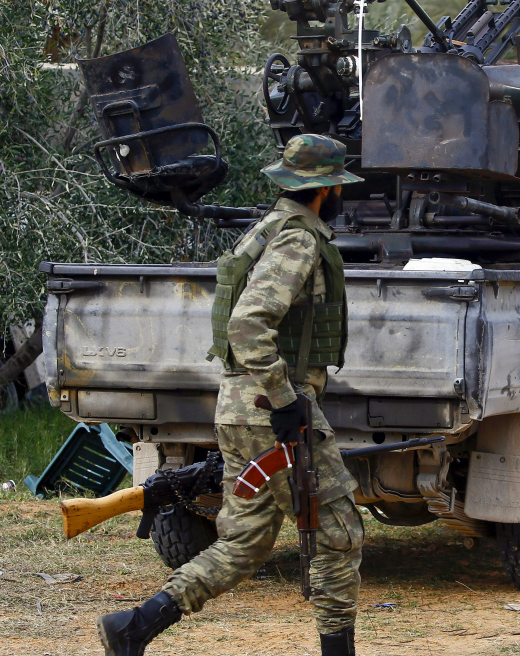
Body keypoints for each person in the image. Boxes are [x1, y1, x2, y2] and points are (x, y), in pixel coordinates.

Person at [96, 134, 365, 656]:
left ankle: (132, 628)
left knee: (243, 543)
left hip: (241, 409)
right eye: (337, 183)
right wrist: (286, 401)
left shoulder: (264, 231)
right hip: (271, 412)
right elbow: (248, 324)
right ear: (326, 187)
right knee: (340, 533)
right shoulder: (298, 239)